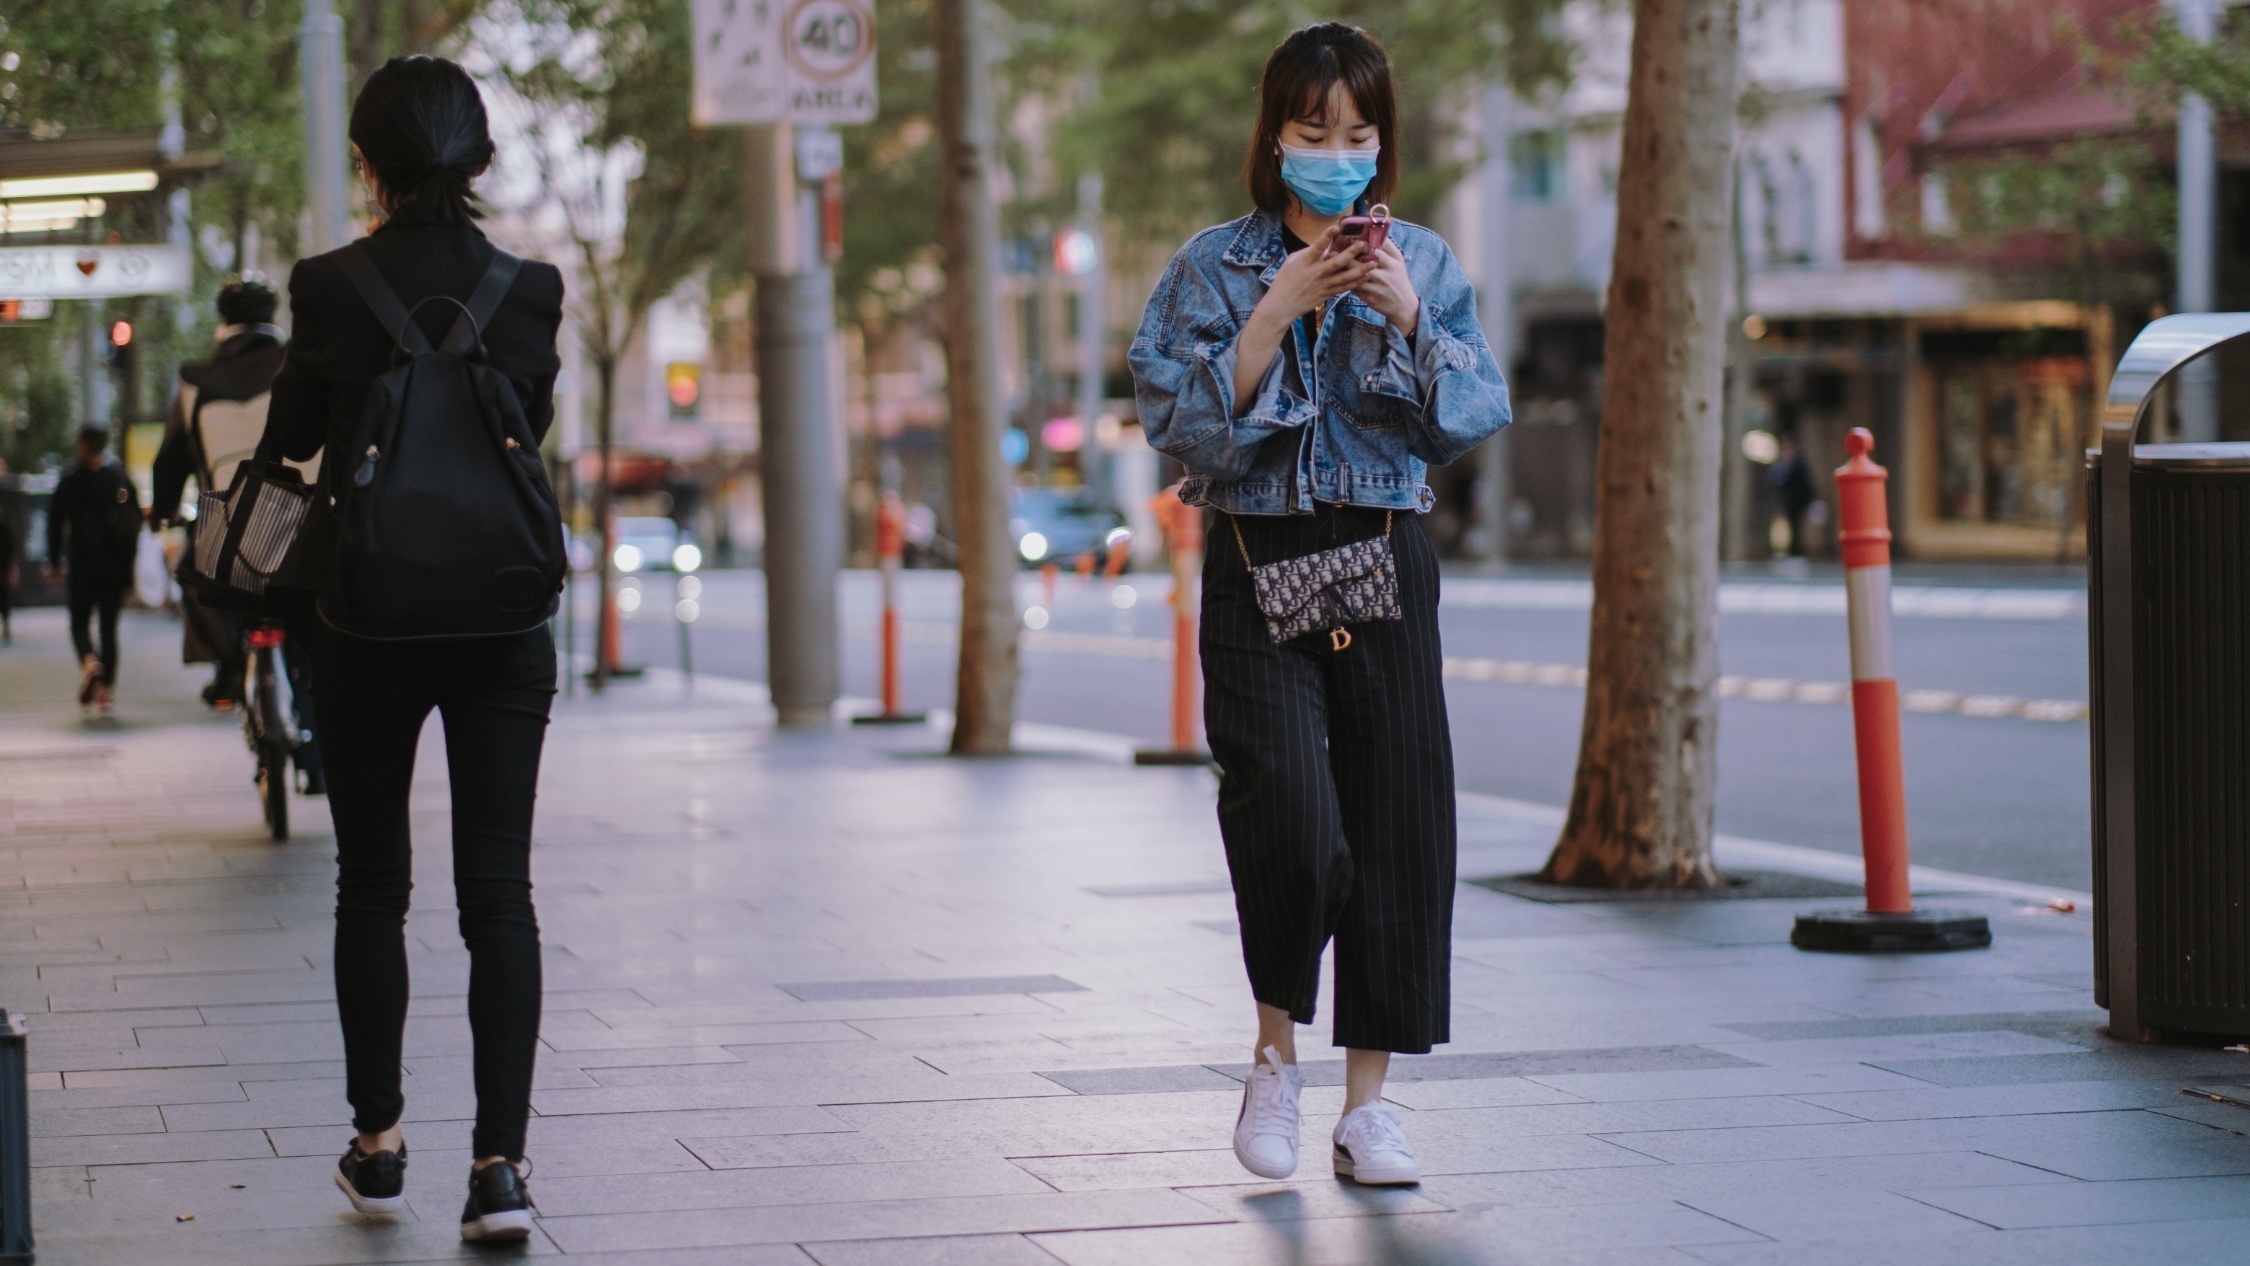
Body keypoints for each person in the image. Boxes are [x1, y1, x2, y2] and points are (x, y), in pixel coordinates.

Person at [1130, 23, 1508, 1187]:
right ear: (1275, 138)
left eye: (1357, 132)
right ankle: (1273, 1058)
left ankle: (1370, 1107)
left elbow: (1476, 413)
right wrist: (1271, 313)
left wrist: (1406, 317)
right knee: (1289, 812)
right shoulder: (1210, 267)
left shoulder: (1429, 263)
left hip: (1388, 557)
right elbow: (1176, 428)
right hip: (1257, 561)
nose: (1337, 152)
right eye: (1313, 132)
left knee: (1399, 831)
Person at [256, 55, 564, 1242]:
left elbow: (291, 444)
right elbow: (521, 426)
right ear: (479, 161)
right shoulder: (527, 289)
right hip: (501, 618)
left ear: (366, 163)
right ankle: (500, 1172)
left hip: (366, 619)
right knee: (502, 896)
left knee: (371, 886)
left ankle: (378, 1149)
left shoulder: (328, 286)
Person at [151, 279, 289, 711]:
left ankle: (230, 665)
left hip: (223, 519)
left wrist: (164, 510)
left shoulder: (196, 380)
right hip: (295, 514)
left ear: (224, 321)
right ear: (272, 317)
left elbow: (170, 458)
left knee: (192, 576)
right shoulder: (294, 365)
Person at [46, 427, 142, 714]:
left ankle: (90, 662)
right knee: (108, 628)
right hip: (113, 567)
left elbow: (55, 523)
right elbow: (134, 523)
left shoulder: (70, 481)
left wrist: (53, 561)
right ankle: (107, 693)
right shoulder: (119, 479)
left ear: (83, 446)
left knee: (79, 622)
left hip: (82, 563)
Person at [1767, 433, 1818, 558]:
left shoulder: (1798, 464)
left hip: (1798, 501)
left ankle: (1795, 552)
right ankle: (1788, 551)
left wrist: (1810, 500)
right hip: (1788, 501)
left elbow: (1805, 483)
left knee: (1796, 527)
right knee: (1787, 527)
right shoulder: (1782, 464)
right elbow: (1775, 479)